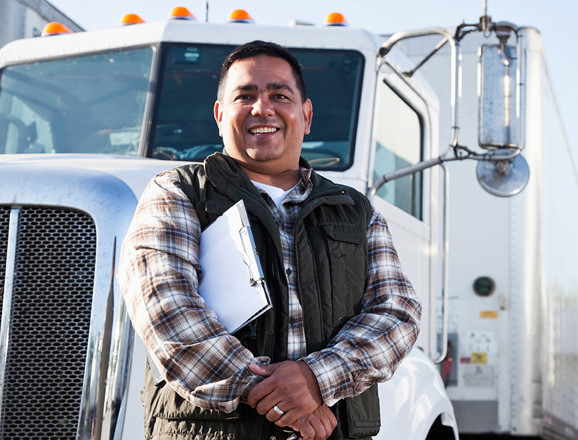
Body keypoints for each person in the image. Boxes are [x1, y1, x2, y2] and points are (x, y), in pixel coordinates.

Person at [118, 40, 421, 440]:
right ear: (220, 114)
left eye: (279, 95)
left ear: (306, 115)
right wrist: (278, 397)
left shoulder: (356, 209)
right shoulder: (176, 192)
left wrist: (316, 379)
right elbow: (167, 310)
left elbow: (397, 312)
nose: (262, 108)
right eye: (245, 96)